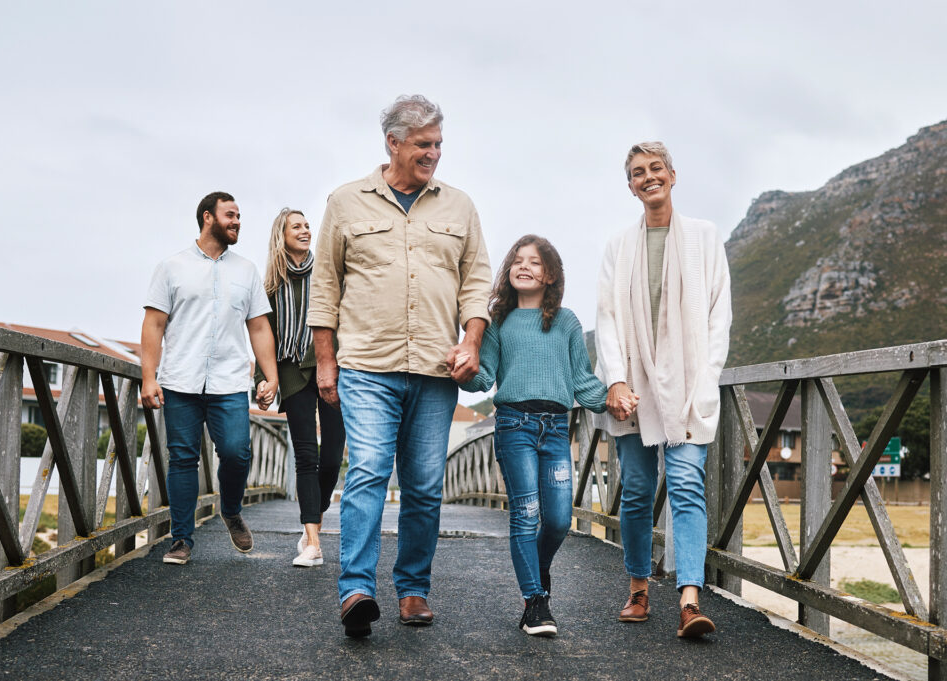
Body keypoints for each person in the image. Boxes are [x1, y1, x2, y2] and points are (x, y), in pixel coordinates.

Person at [307, 94, 493, 637]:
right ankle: (357, 590)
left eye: (439, 144)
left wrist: (473, 340)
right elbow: (326, 287)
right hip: (367, 364)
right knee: (366, 470)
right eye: (423, 144)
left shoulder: (460, 207)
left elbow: (477, 281)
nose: (434, 153)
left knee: (425, 484)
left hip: (437, 372)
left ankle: (413, 590)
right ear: (392, 142)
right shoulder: (345, 202)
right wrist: (325, 362)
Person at [595, 142, 731, 638]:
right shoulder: (618, 246)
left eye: (655, 169)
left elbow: (719, 316)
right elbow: (607, 317)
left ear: (673, 175)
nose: (647, 177)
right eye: (637, 173)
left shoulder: (703, 237)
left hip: (688, 385)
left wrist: (706, 378)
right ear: (629, 185)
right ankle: (637, 588)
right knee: (634, 491)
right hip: (633, 385)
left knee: (687, 484)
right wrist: (615, 379)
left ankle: (690, 600)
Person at [459, 235, 607, 637]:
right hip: (513, 426)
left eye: (535, 262)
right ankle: (535, 602)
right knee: (525, 515)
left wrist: (613, 397)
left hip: (557, 428)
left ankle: (536, 576)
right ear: (509, 270)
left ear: (551, 274)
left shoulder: (567, 321)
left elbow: (582, 381)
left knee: (558, 520)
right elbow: (486, 376)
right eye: (518, 260)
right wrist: (465, 372)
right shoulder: (498, 323)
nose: (525, 266)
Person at [140, 191, 280, 565]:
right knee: (182, 458)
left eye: (239, 216)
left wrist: (271, 375)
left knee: (236, 452)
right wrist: (148, 378)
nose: (237, 222)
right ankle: (181, 539)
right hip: (180, 380)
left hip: (230, 381)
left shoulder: (246, 271)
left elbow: (260, 327)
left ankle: (230, 509)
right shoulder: (171, 268)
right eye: (230, 215)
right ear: (207, 217)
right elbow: (154, 324)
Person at [253, 207, 346, 567]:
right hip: (293, 371)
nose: (306, 230)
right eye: (297, 226)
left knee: (332, 455)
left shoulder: (329, 274)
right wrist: (263, 380)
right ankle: (312, 540)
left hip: (331, 367)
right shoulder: (271, 286)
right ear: (283, 234)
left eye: (308, 226)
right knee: (305, 455)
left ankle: (314, 518)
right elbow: (264, 338)